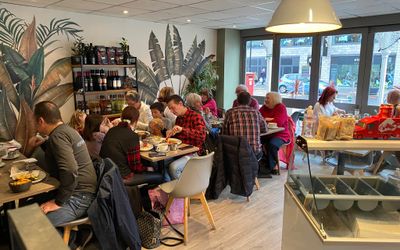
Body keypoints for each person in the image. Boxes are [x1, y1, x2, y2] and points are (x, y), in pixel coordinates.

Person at [28, 101, 97, 227]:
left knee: (34, 224)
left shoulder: (57, 136)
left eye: (34, 121)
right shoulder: (66, 130)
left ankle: (69, 240)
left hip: (79, 197)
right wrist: (44, 144)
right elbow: (61, 152)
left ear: (41, 121)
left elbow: (70, 170)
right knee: (26, 208)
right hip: (80, 191)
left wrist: (58, 203)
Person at [166, 95, 206, 179]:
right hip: (181, 151)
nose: (171, 111)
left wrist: (182, 129)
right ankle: (170, 187)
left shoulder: (196, 116)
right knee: (161, 163)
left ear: (180, 104)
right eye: (170, 109)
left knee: (173, 168)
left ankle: (183, 190)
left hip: (194, 153)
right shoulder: (178, 118)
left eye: (173, 108)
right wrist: (171, 133)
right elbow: (178, 136)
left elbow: (202, 136)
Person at [100, 106, 145, 182]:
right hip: (121, 176)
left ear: (121, 117)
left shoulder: (111, 130)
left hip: (105, 172)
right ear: (136, 121)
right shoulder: (132, 136)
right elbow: (136, 167)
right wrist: (147, 168)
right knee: (157, 175)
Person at [224, 91, 267, 157]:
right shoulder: (256, 112)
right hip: (254, 152)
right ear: (250, 102)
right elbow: (265, 129)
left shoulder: (230, 112)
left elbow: (225, 133)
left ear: (237, 101)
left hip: (236, 152)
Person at [259, 92, 291, 174]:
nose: (265, 100)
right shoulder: (264, 107)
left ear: (274, 99)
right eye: (265, 98)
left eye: (268, 98)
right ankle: (262, 163)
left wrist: (265, 119)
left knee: (272, 144)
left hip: (281, 134)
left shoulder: (281, 107)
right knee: (256, 142)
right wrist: (269, 119)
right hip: (267, 133)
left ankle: (272, 166)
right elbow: (258, 118)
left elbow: (278, 122)